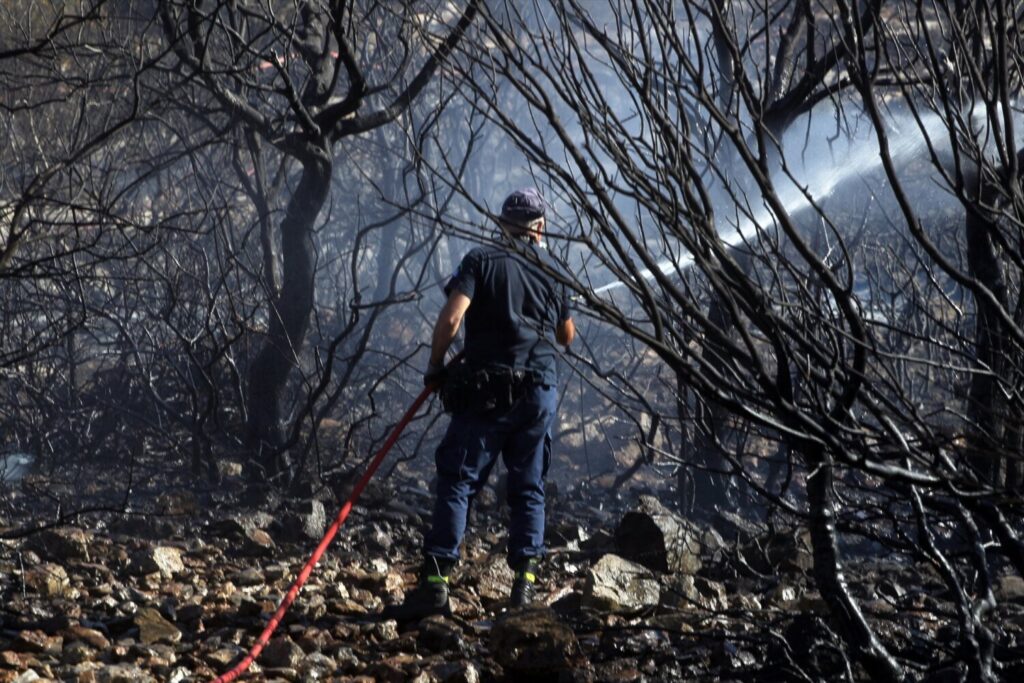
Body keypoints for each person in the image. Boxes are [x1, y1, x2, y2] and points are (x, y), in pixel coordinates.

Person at [384, 188, 575, 621]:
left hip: (488, 390)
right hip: (539, 392)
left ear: (500, 223)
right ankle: (523, 592)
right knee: (528, 487)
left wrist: (435, 366)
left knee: (458, 479)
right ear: (540, 228)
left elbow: (452, 318)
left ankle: (435, 586)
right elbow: (566, 337)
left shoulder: (480, 261)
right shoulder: (554, 270)